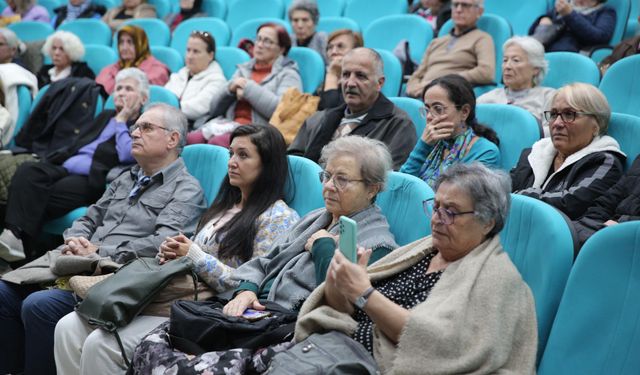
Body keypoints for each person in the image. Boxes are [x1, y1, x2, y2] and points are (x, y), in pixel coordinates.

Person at [130, 136, 399, 374]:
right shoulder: (318, 218)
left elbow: (339, 302)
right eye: (326, 176)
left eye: (342, 180)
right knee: (157, 342)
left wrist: (324, 248)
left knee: (180, 365)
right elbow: (264, 261)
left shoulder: (376, 244)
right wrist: (246, 290)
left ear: (373, 188)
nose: (329, 186)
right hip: (257, 314)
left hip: (291, 330)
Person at [54, 124, 300, 374]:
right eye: (230, 154)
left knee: (101, 345)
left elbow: (252, 285)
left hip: (205, 309)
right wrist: (172, 251)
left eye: (243, 155)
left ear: (268, 164)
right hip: (173, 293)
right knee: (67, 327)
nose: (232, 162)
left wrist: (193, 255)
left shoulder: (277, 217)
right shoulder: (225, 206)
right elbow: (192, 253)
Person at [0, 102, 207, 375]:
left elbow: (163, 242)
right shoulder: (126, 178)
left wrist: (99, 250)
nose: (134, 133)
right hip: (77, 260)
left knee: (40, 306)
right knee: (4, 292)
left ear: (172, 139)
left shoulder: (186, 189)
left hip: (118, 275)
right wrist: (75, 240)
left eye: (146, 127)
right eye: (135, 127)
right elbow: (89, 218)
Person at [291, 163, 537, 374]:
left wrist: (364, 294)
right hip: (336, 350)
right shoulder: (423, 249)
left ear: (487, 222)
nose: (437, 218)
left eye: (450, 212)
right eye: (436, 206)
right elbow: (343, 309)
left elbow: (441, 346)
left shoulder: (499, 280)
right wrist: (340, 279)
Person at [0, 68, 148, 262]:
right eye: (119, 88)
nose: (121, 92)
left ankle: (18, 245)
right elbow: (79, 141)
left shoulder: (143, 124)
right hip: (63, 167)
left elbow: (128, 154)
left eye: (128, 89)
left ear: (143, 98)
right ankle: (18, 243)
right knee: (28, 170)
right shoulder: (106, 116)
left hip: (90, 179)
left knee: (33, 195)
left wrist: (121, 122)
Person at [511, 82, 625, 220]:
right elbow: (502, 188)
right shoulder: (534, 153)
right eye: (553, 114)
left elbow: (570, 203)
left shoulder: (605, 161)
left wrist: (513, 198)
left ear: (596, 125)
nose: (557, 123)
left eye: (569, 114)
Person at [289, 47, 417, 170]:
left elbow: (389, 181)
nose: (350, 83)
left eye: (360, 76)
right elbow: (293, 165)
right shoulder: (318, 119)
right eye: (345, 75)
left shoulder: (398, 125)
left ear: (380, 83)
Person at [187, 22, 302, 148]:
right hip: (230, 124)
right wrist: (229, 90)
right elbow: (214, 109)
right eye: (258, 39)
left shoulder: (289, 74)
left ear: (281, 49)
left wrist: (248, 88)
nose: (259, 45)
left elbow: (282, 112)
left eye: (267, 41)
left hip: (260, 132)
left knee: (217, 143)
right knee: (191, 139)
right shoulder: (244, 69)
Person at [401, 74, 499, 188]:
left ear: (464, 112)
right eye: (427, 109)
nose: (429, 117)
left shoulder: (486, 152)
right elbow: (401, 186)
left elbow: (461, 199)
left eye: (438, 109)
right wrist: (422, 146)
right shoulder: (430, 143)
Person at [406, 0, 494, 98]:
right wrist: (413, 88)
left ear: (479, 12)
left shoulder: (482, 39)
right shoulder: (436, 42)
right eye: (455, 5)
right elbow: (418, 74)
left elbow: (486, 72)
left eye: (465, 5)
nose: (459, 10)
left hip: (450, 96)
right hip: (422, 94)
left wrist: (437, 83)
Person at [478, 36, 556, 127]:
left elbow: (551, 132)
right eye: (505, 60)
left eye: (516, 60)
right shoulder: (486, 99)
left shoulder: (549, 98)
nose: (507, 66)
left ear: (536, 69)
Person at [573, 155, 640, 248]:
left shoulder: (605, 159)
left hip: (629, 235)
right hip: (609, 229)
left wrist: (623, 224)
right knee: (563, 234)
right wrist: (592, 222)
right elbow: (608, 200)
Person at [164, 30, 226, 128]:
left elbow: (197, 108)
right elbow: (163, 97)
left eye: (196, 51)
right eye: (188, 50)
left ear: (210, 55)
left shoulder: (217, 80)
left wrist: (165, 109)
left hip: (190, 127)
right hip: (166, 121)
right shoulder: (178, 75)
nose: (190, 56)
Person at [96, 25, 169, 95]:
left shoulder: (157, 69)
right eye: (121, 42)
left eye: (130, 42)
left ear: (141, 44)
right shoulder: (110, 70)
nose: (124, 48)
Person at [529, 0, 615, 53]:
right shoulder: (566, 4)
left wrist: (570, 15)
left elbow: (599, 37)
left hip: (571, 54)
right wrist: (543, 20)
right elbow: (531, 32)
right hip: (543, 50)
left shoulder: (605, 12)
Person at [317, 29, 363, 110]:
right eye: (330, 47)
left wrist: (332, 75)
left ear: (356, 51)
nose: (334, 52)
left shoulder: (361, 79)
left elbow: (329, 111)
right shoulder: (323, 75)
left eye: (340, 46)